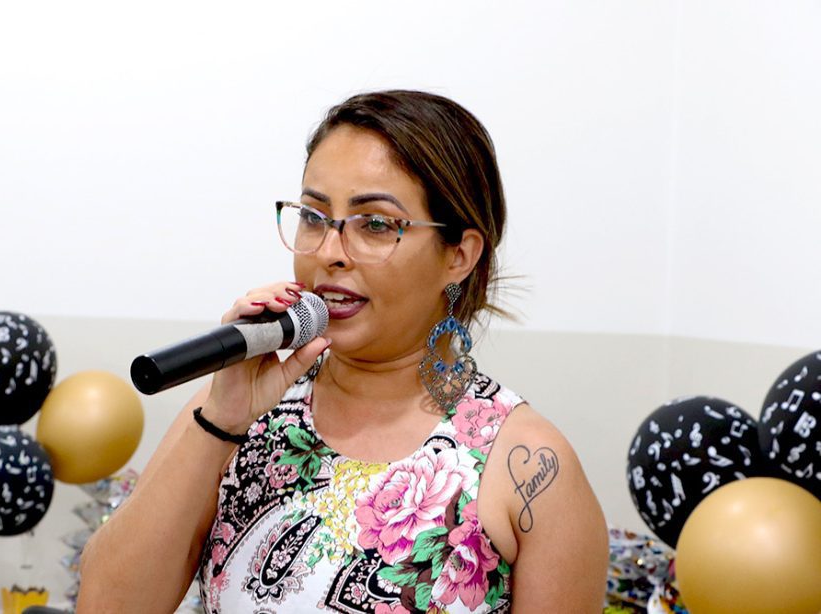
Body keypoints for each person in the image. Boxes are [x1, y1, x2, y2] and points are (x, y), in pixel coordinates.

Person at [78, 90, 608, 613]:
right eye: (313, 217)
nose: (329, 252)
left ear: (459, 255)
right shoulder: (233, 416)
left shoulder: (528, 466)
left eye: (375, 224)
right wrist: (221, 421)